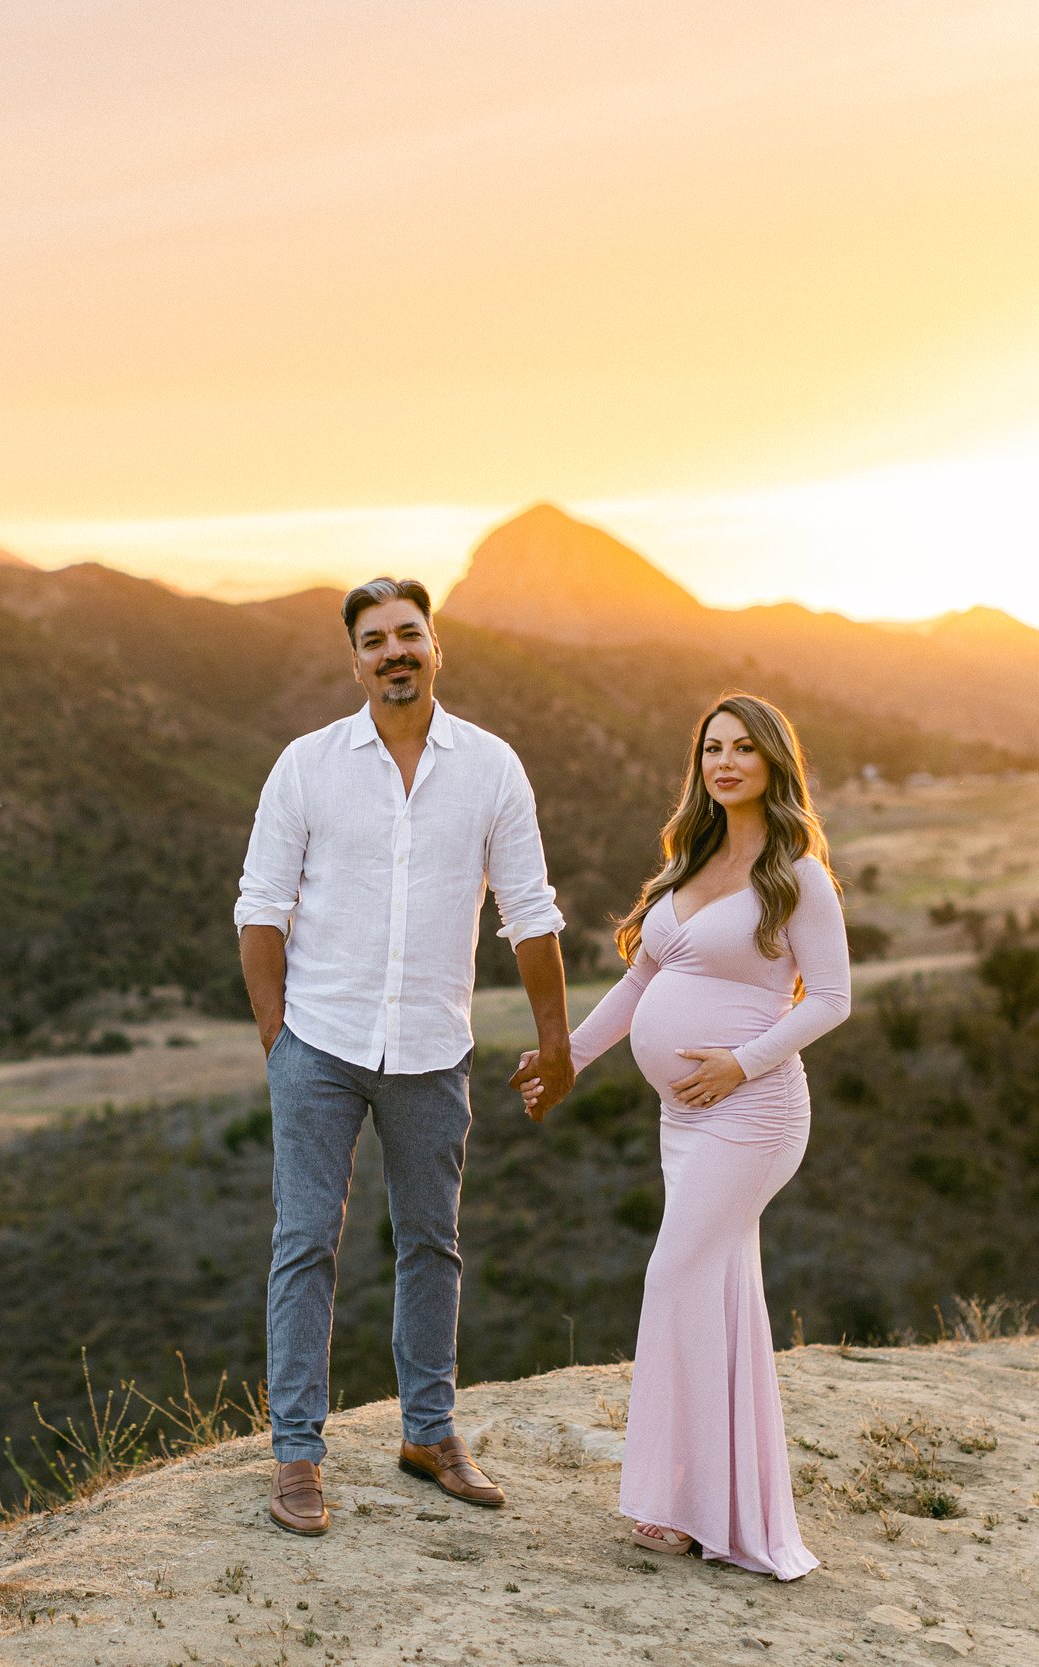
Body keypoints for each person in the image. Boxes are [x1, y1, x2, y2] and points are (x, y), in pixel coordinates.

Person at [236, 577, 578, 1538]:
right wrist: (280, 1041)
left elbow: (531, 909)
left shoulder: (492, 768)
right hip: (321, 1043)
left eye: (409, 634)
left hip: (433, 1049)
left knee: (433, 1242)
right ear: (354, 660)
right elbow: (260, 905)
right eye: (375, 638)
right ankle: (297, 1455)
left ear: (438, 648)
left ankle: (430, 1432)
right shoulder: (306, 767)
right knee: (305, 1242)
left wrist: (557, 1042)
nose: (395, 650)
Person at [521, 691, 847, 1578]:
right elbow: (635, 989)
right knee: (717, 1287)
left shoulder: (797, 874)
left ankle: (681, 1501)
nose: (726, 761)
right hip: (685, 1118)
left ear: (776, 761)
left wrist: (741, 1061)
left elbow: (831, 998)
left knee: (675, 1272)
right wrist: (567, 1059)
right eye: (712, 748)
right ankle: (712, 1501)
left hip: (756, 1110)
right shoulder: (689, 861)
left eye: (745, 747)